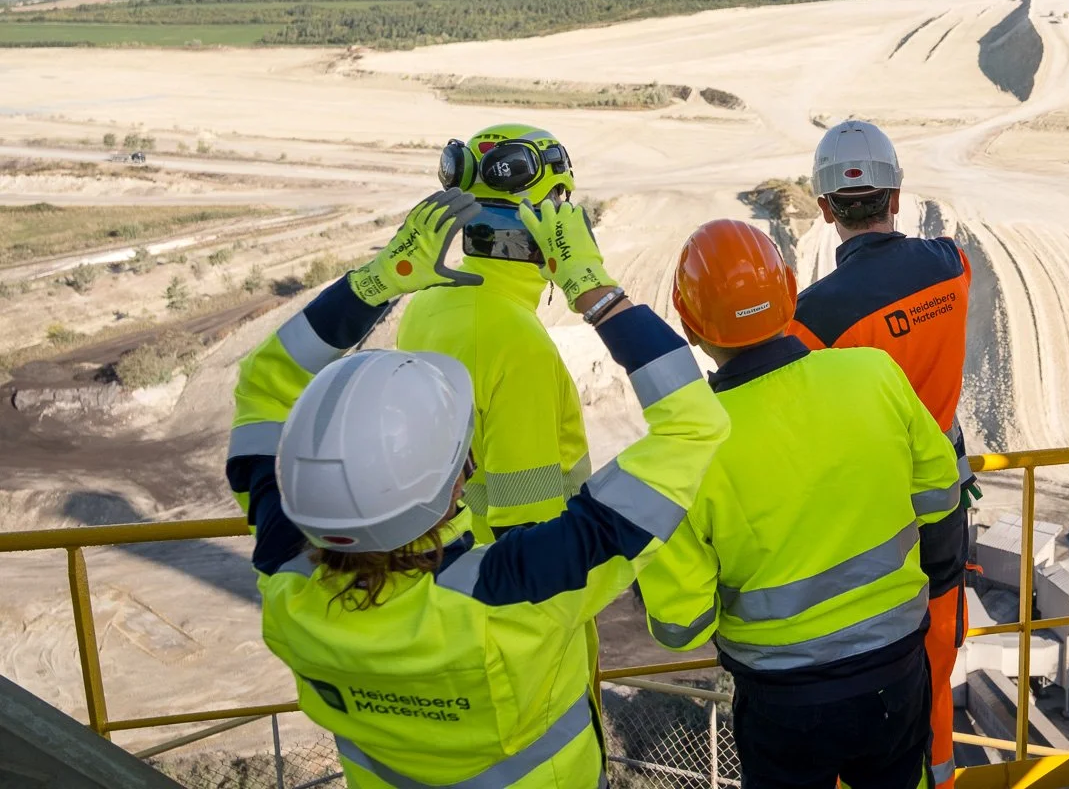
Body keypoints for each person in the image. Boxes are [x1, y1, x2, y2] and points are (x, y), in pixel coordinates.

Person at [225, 190, 728, 789]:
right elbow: (696, 423)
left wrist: (377, 283)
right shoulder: (521, 588)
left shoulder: (286, 577)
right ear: (456, 483)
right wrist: (591, 288)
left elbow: (263, 383)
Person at [639, 218, 964, 789]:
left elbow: (679, 626)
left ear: (689, 326)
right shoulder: (874, 374)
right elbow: (940, 494)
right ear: (790, 294)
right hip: (896, 672)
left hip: (783, 703)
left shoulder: (679, 453)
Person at [788, 119, 974, 789]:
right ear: (895, 196)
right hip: (943, 501)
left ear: (825, 208)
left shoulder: (812, 318)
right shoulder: (951, 265)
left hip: (872, 513)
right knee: (939, 645)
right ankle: (938, 771)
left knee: (870, 659)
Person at [398, 123, 593, 543]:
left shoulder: (424, 305)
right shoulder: (519, 342)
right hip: (514, 577)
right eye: (560, 202)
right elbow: (531, 528)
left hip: (449, 562)